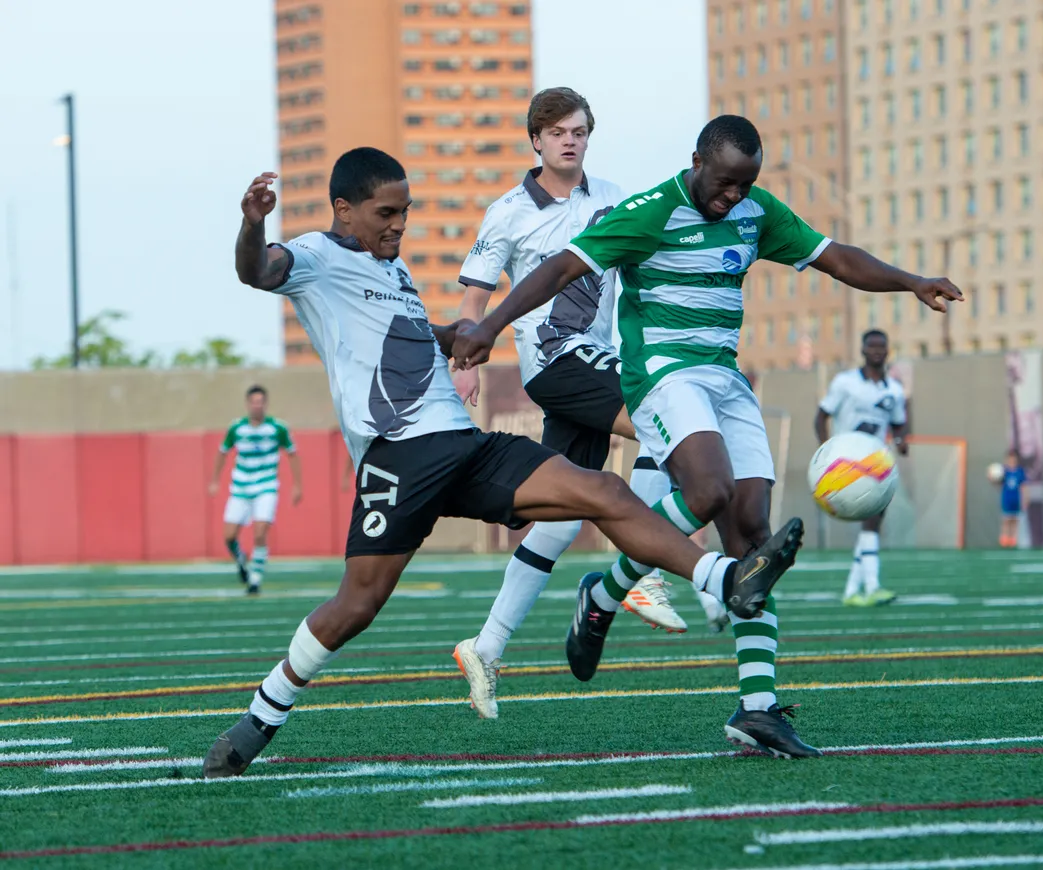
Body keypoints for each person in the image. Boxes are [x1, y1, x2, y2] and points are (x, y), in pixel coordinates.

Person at [202, 147, 804, 778]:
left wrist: (457, 337)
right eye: (386, 213)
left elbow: (403, 335)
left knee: (600, 489)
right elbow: (257, 270)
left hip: (465, 445)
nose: (398, 226)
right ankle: (259, 720)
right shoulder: (318, 258)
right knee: (356, 606)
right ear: (343, 210)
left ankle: (723, 578)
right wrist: (252, 223)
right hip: (399, 458)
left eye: (404, 213)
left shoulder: (395, 271)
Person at [452, 115, 962, 757]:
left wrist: (911, 280)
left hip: (724, 380)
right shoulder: (650, 210)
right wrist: (491, 324)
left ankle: (754, 707)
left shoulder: (756, 211)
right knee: (709, 488)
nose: (733, 198)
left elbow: (835, 258)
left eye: (745, 185)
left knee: (752, 536)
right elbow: (558, 270)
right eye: (723, 184)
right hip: (663, 376)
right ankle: (610, 590)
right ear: (697, 161)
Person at [450, 88, 687, 719]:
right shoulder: (506, 213)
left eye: (579, 130)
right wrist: (464, 364)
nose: (569, 140)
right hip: (555, 359)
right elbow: (474, 295)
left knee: (558, 517)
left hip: (595, 356)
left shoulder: (614, 197)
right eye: (556, 131)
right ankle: (644, 566)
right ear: (535, 140)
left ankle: (486, 647)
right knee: (663, 420)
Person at [814, 329, 908, 606]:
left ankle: (854, 591)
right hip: (847, 464)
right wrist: (827, 452)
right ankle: (871, 586)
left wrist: (902, 440)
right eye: (872, 346)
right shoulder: (845, 383)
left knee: (873, 521)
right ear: (863, 350)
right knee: (871, 522)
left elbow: (899, 422)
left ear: (888, 350)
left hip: (877, 462)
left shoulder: (894, 389)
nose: (877, 351)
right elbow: (820, 417)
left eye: (882, 346)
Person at [208, 385, 301, 594]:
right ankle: (241, 560)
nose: (257, 406)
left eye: (260, 402)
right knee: (229, 536)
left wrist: (297, 485)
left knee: (260, 531)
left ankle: (255, 578)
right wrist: (214, 480)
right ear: (248, 403)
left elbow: (292, 453)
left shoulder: (278, 427)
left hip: (266, 486)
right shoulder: (237, 428)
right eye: (253, 402)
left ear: (265, 404)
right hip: (240, 487)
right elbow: (222, 452)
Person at [995, 449, 1026, 548]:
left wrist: (1025, 499)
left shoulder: (1020, 472)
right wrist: (993, 479)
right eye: (1010, 459)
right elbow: (998, 484)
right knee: (1006, 519)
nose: (1012, 461)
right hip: (1007, 499)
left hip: (1016, 499)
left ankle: (1013, 539)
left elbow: (1023, 487)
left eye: (1014, 459)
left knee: (1015, 520)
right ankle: (1004, 538)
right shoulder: (1004, 471)